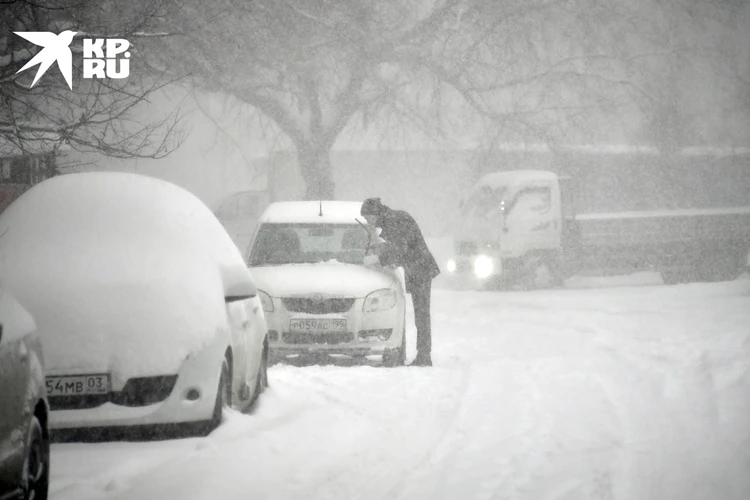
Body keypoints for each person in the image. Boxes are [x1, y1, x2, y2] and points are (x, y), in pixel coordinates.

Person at [360, 198, 440, 367]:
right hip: (418, 268)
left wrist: (379, 257)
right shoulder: (393, 218)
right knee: (421, 314)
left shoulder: (395, 220)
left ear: (375, 213)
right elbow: (401, 248)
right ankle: (424, 354)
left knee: (422, 314)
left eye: (368, 218)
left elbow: (401, 247)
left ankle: (424, 356)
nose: (368, 222)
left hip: (421, 269)